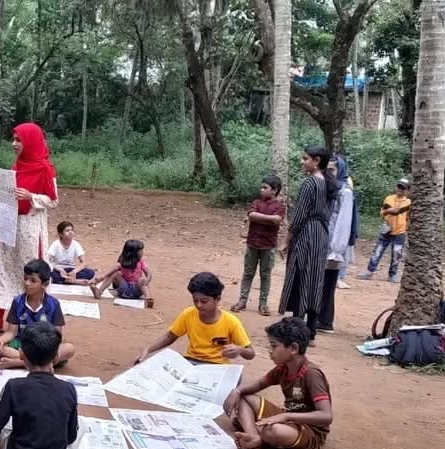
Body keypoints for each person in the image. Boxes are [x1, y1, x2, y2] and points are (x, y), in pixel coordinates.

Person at [0, 123, 59, 333]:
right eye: (13, 139)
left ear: (30, 142)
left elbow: (53, 200)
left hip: (30, 229)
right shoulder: (16, 166)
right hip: (10, 226)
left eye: (19, 140)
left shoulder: (45, 169)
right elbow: (12, 192)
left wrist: (32, 197)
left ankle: (36, 322)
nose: (14, 144)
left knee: (30, 274)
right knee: (3, 270)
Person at [224, 317, 332, 449]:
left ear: (293, 348)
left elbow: (326, 416)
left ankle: (257, 431)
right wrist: (237, 391)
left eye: (274, 346)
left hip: (310, 430)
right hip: (289, 419)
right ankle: (254, 436)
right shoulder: (282, 368)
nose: (270, 350)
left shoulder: (311, 374)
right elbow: (257, 384)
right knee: (244, 396)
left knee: (274, 431)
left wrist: (286, 417)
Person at [279, 145, 336, 343]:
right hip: (322, 235)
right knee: (315, 280)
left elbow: (300, 215)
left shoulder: (310, 183)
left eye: (305, 158)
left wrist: (286, 240)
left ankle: (297, 332)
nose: (302, 162)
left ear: (316, 161)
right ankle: (311, 331)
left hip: (306, 234)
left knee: (300, 277)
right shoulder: (329, 183)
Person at [134, 272, 255, 365]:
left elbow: (250, 353)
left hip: (218, 366)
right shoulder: (188, 314)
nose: (199, 305)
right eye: (195, 300)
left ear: (217, 299)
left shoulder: (231, 322)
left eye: (204, 301)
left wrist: (240, 350)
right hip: (192, 362)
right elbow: (170, 336)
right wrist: (148, 350)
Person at [0, 259, 75, 369]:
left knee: (69, 349)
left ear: (45, 284)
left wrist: (53, 348)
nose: (27, 283)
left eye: (33, 280)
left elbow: (57, 335)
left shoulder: (53, 304)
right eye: (25, 279)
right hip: (22, 345)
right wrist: (1, 340)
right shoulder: (17, 301)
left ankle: (18, 363)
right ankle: (42, 364)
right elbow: (11, 332)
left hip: (44, 346)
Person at [232, 175, 286, 316]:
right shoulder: (257, 202)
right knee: (248, 273)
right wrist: (269, 219)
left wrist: (258, 217)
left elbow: (276, 220)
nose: (261, 190)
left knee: (265, 275)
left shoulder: (280, 206)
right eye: (261, 187)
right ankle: (242, 300)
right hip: (252, 243)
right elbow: (255, 216)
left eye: (265, 188)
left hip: (268, 246)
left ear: (274, 190)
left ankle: (263, 303)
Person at [316, 157, 356, 334]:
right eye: (327, 169)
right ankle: (318, 317)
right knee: (319, 281)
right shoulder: (328, 188)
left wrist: (336, 250)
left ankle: (325, 321)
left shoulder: (345, 192)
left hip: (334, 245)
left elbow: (344, 222)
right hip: (323, 240)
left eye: (332, 170)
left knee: (328, 282)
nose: (329, 173)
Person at [358, 178, 411, 283]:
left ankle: (392, 274)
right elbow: (383, 212)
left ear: (407, 190)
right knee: (377, 251)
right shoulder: (389, 198)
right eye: (399, 187)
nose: (400, 189)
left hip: (400, 231)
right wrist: (389, 210)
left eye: (403, 188)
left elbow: (397, 212)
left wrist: (390, 210)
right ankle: (370, 271)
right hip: (387, 229)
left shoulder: (408, 202)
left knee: (396, 254)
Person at [334, 154, 360, 289]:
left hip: (342, 222)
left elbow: (347, 213)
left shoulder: (345, 188)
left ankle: (339, 277)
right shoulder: (328, 185)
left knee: (341, 249)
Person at [45, 221, 94, 285]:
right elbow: (46, 260)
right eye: (67, 230)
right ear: (60, 234)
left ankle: (65, 280)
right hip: (58, 269)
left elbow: (84, 263)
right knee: (47, 273)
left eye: (71, 230)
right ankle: (74, 281)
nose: (70, 232)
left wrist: (74, 272)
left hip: (71, 269)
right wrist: (60, 270)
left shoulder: (76, 244)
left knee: (90, 273)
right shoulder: (55, 244)